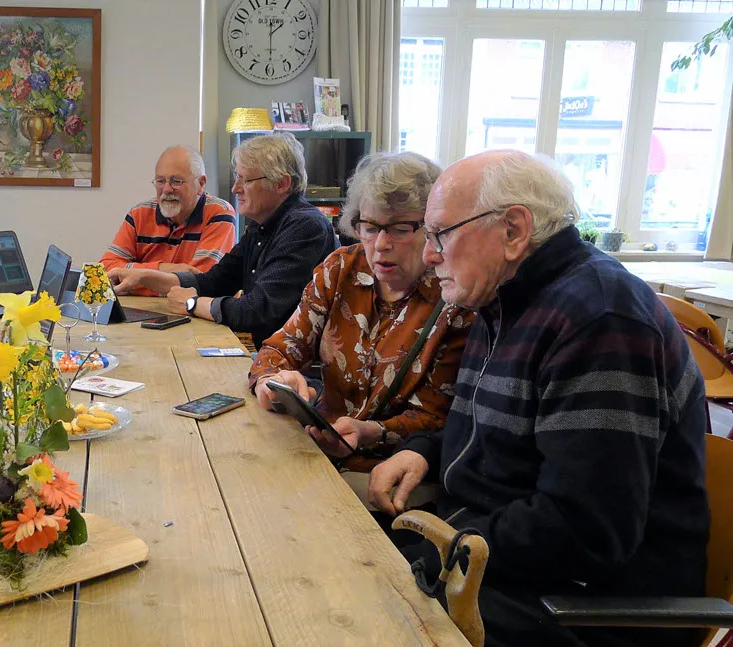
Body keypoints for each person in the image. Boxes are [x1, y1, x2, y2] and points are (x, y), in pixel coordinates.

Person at [366, 150, 709, 647]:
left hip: (590, 608)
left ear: (513, 231)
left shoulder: (599, 318)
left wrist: (441, 548)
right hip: (507, 564)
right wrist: (423, 453)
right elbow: (500, 432)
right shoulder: (504, 299)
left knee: (356, 604)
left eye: (440, 233)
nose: (429, 254)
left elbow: (585, 530)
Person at [250, 152, 471, 466]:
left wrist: (370, 432)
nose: (380, 244)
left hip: (386, 471)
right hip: (314, 451)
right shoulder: (342, 269)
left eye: (400, 229)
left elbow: (436, 418)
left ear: (433, 229)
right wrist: (271, 381)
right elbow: (282, 347)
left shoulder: (453, 297)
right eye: (369, 226)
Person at [108, 132, 337, 347]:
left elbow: (257, 311)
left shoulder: (305, 227)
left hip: (295, 371)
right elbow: (213, 282)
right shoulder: (262, 225)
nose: (236, 188)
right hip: (271, 356)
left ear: (282, 184)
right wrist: (146, 276)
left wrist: (191, 304)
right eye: (237, 177)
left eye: (245, 180)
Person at [98, 146, 236, 297]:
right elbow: (106, 271)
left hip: (190, 314)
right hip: (139, 311)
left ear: (201, 184)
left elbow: (200, 283)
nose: (167, 189)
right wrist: (166, 269)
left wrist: (134, 279)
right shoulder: (139, 214)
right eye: (160, 181)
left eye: (176, 181)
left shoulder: (219, 213)